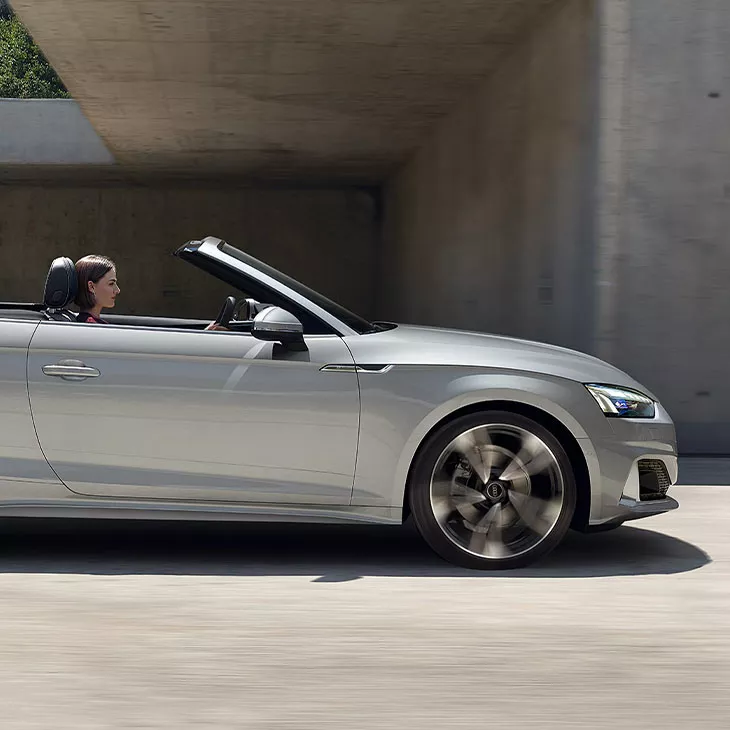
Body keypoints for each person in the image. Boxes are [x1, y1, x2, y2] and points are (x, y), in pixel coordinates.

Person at [74, 255, 226, 330]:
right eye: (111, 283)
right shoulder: (92, 328)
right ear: (91, 287)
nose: (117, 290)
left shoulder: (92, 324)